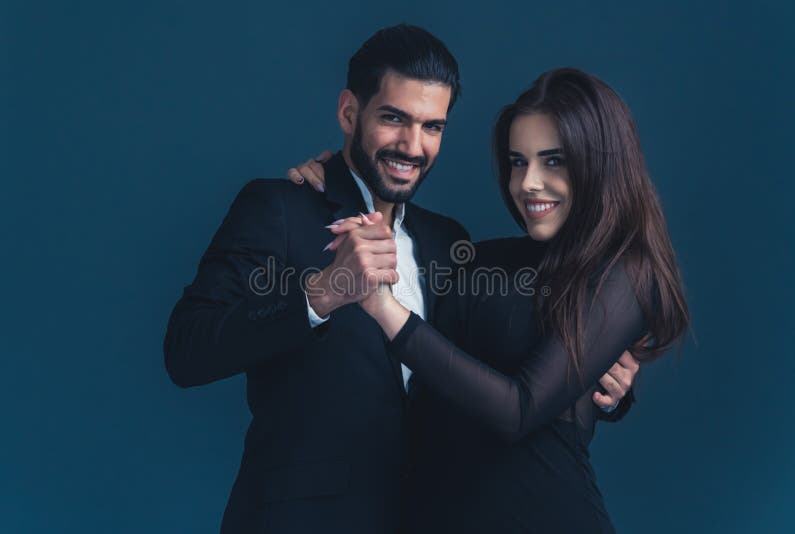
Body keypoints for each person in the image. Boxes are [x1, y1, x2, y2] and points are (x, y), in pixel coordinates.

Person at [164, 24, 635, 533]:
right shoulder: (279, 208)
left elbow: (498, 375)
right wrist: (320, 295)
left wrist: (603, 379)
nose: (412, 146)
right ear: (349, 112)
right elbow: (186, 351)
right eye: (394, 119)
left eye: (432, 127)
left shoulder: (450, 244)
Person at [290, 68, 688, 532]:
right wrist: (336, 182)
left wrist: (383, 307)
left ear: (600, 163)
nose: (528, 183)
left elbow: (518, 411)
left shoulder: (626, 273)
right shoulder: (483, 258)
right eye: (519, 162)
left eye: (553, 161)